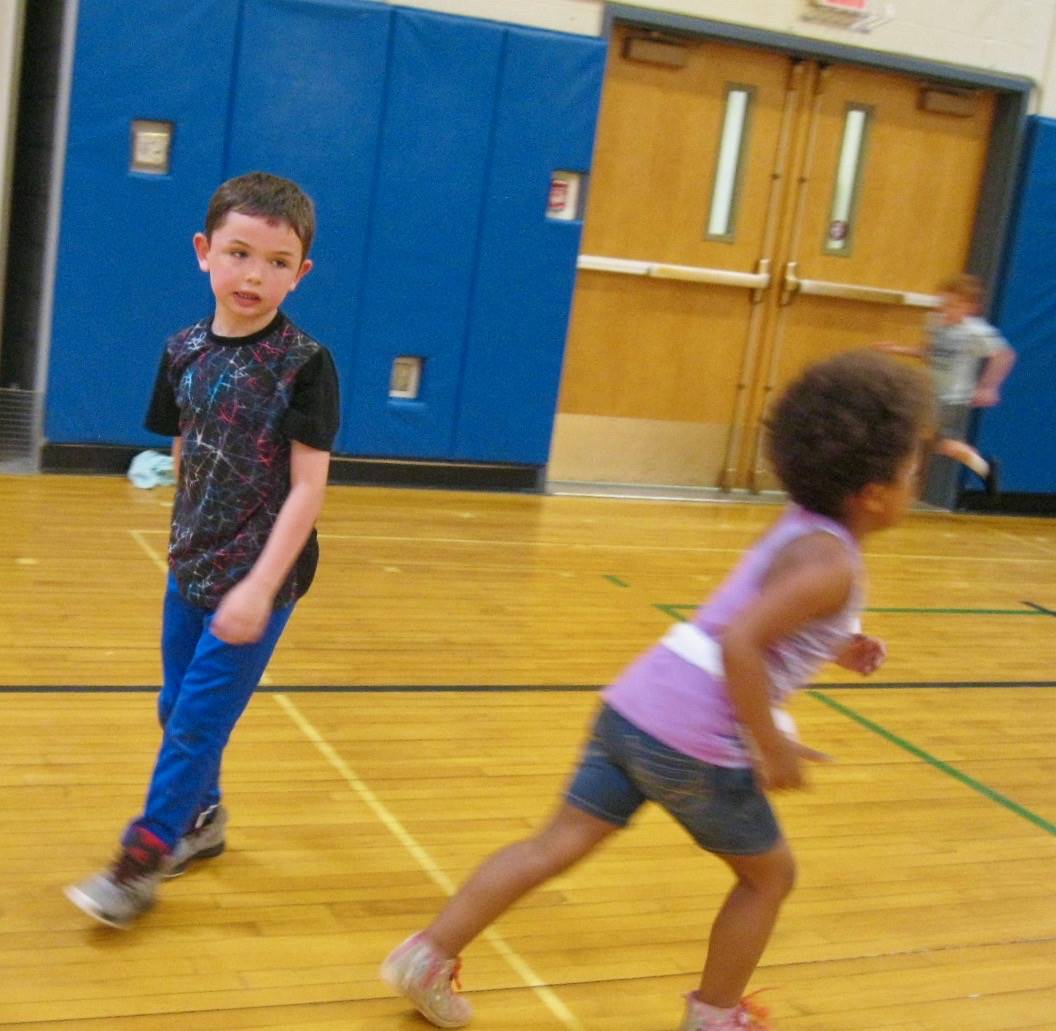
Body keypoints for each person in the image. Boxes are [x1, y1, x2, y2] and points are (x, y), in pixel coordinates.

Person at [379, 351, 935, 1031]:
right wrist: (771, 744)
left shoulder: (800, 525)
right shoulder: (834, 564)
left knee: (552, 843)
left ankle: (427, 954)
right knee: (769, 877)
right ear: (874, 493)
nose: (918, 480)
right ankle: (716, 1014)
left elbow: (759, 611)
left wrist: (839, 643)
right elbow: (742, 643)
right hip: (697, 739)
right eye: (913, 469)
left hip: (634, 707)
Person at [65, 171, 340, 928]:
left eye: (277, 261)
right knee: (172, 705)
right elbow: (185, 445)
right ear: (204, 252)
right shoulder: (183, 349)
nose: (254, 274)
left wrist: (257, 586)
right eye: (239, 252)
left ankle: (140, 859)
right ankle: (204, 815)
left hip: (260, 581)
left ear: (301, 272)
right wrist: (183, 537)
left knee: (195, 724)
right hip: (191, 567)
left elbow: (308, 488)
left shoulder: (304, 363)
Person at [875, 273, 1015, 502]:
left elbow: (1005, 355)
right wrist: (897, 349)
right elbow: (929, 352)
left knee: (932, 441)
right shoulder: (935, 322)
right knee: (925, 441)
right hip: (930, 391)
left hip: (953, 397)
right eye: (943, 303)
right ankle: (981, 469)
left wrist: (989, 387)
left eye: (953, 305)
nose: (946, 309)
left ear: (970, 308)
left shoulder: (975, 332)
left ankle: (981, 469)